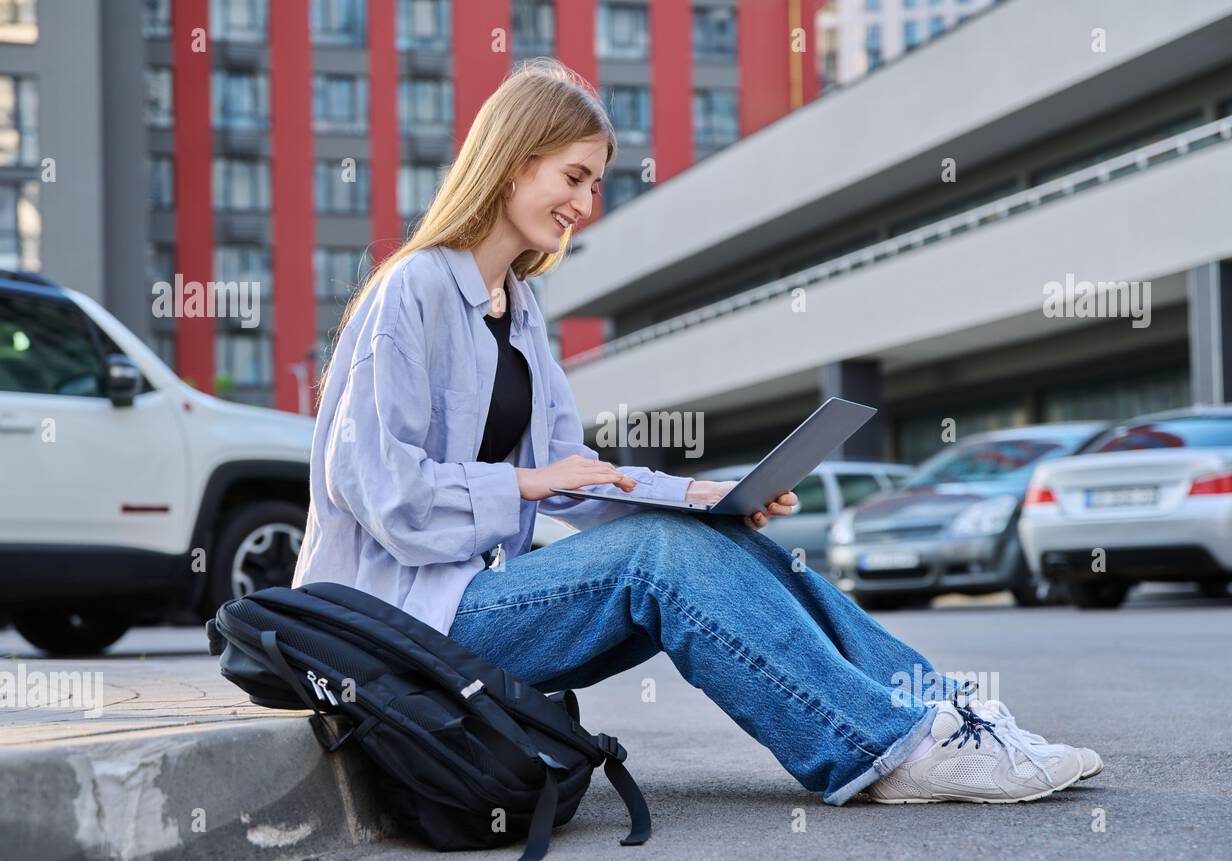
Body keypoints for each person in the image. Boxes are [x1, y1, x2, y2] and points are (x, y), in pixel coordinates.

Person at [293, 58, 1101, 807]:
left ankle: (940, 718)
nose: (584, 203)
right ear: (511, 162)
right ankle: (884, 751)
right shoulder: (413, 290)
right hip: (402, 624)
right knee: (659, 557)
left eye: (596, 184)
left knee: (718, 542)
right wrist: (519, 484)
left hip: (472, 599)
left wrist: (702, 498)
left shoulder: (519, 309)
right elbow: (374, 487)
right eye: (573, 176)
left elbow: (575, 472)